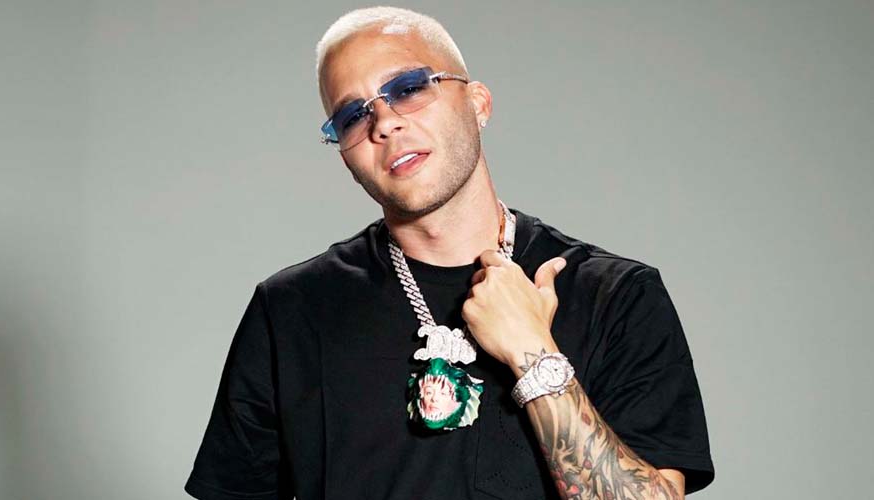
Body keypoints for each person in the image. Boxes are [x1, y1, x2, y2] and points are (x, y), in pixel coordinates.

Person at [185, 6, 714, 500]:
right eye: (351, 117)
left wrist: (533, 353)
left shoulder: (617, 296)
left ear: (478, 103)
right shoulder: (290, 311)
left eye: (408, 88)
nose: (384, 123)